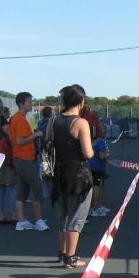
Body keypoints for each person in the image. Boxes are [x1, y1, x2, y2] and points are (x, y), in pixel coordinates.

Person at [50, 84, 94, 268]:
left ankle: (63, 253)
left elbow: (49, 144)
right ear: (81, 102)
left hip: (59, 172)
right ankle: (71, 257)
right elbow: (88, 153)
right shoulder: (81, 123)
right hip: (78, 175)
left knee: (63, 216)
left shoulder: (54, 120)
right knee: (76, 217)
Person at [7, 92, 48, 231]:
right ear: (21, 104)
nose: (32, 104)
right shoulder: (19, 119)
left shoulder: (21, 118)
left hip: (22, 158)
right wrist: (35, 135)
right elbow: (19, 141)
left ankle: (21, 221)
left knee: (23, 190)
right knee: (37, 187)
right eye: (29, 102)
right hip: (24, 159)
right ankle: (38, 220)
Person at [0, 96, 17, 225]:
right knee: (13, 183)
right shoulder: (1, 119)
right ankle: (14, 213)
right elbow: (10, 134)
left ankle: (0, 215)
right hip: (2, 154)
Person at [89, 134, 110, 217]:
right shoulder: (101, 142)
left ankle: (97, 206)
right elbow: (101, 156)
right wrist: (106, 155)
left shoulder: (89, 140)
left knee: (95, 187)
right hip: (98, 168)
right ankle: (94, 208)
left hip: (89, 167)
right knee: (97, 187)